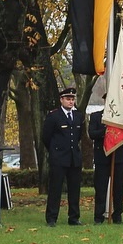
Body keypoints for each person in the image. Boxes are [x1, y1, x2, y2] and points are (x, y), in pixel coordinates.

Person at [41, 87, 84, 226]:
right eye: (68, 99)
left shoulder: (78, 116)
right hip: (59, 158)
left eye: (72, 99)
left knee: (74, 190)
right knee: (55, 189)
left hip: (74, 158)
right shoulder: (54, 116)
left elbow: (78, 136)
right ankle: (51, 218)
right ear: (61, 100)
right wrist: (55, 150)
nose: (71, 102)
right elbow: (46, 137)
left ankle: (74, 217)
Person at [88, 106, 123, 224]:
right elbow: (92, 133)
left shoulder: (122, 116)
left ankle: (117, 216)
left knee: (118, 188)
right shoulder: (96, 116)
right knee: (100, 188)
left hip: (118, 157)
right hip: (102, 157)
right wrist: (106, 131)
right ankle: (99, 217)